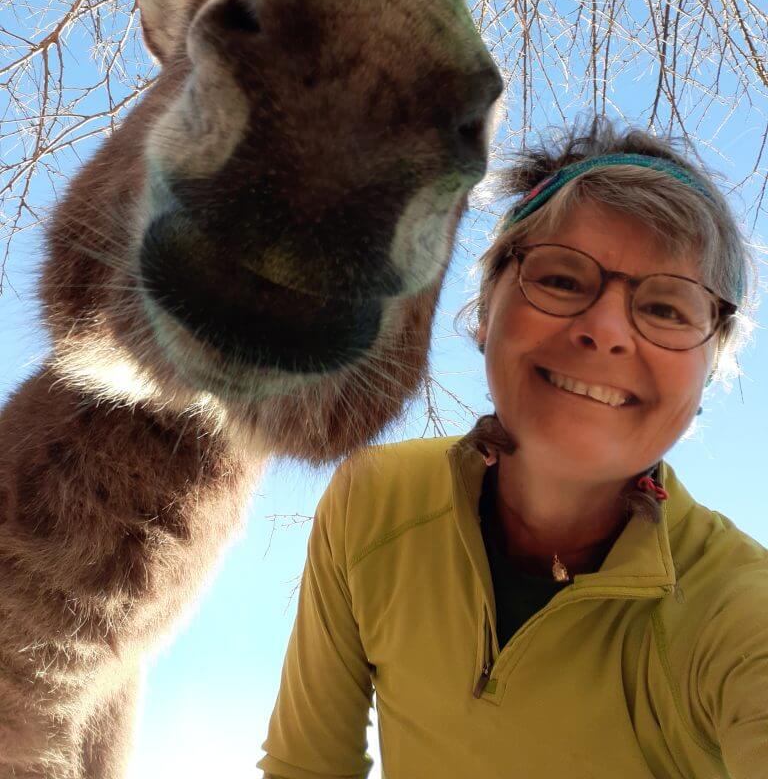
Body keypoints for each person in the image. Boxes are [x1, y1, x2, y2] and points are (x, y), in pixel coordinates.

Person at [258, 119, 768, 779]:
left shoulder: (737, 613)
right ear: (484, 309)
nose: (606, 329)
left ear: (707, 376)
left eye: (667, 309)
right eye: (560, 279)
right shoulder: (376, 504)